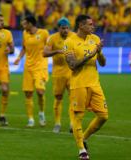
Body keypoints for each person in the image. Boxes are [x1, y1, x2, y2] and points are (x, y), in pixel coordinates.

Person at [64, 15, 108, 160]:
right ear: (81, 26)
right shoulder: (69, 42)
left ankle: (84, 138)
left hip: (95, 84)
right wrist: (91, 55)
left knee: (103, 116)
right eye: (90, 24)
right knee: (78, 117)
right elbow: (72, 65)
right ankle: (82, 150)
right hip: (78, 85)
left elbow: (102, 64)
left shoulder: (94, 39)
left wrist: (99, 51)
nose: (93, 26)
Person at [14, 15, 49, 127]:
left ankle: (41, 113)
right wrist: (19, 58)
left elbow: (49, 46)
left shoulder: (44, 33)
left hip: (40, 66)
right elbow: (24, 48)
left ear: (30, 24)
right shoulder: (25, 33)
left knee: (40, 91)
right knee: (28, 93)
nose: (23, 26)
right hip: (28, 66)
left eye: (25, 23)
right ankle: (30, 119)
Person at [43, 17, 74, 133]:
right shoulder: (52, 38)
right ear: (58, 28)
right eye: (63, 28)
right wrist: (57, 51)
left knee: (73, 97)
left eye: (67, 28)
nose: (65, 30)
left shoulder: (74, 37)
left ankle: (72, 123)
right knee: (58, 97)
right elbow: (44, 53)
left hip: (72, 72)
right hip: (58, 73)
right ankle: (57, 123)